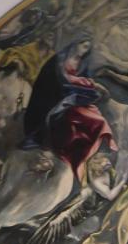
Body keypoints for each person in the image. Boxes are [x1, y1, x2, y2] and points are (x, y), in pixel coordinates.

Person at [22, 33, 117, 181]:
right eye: (84, 46)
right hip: (56, 99)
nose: (84, 51)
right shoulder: (59, 59)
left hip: (74, 98)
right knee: (92, 119)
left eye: (88, 49)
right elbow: (57, 81)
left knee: (97, 120)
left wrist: (87, 85)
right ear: (76, 43)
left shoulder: (81, 62)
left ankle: (85, 154)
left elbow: (84, 79)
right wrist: (83, 84)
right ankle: (74, 155)